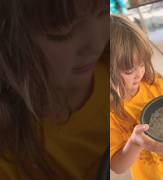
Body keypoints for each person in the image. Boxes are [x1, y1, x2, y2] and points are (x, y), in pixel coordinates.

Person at [0, 0, 108, 179]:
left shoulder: (112, 64)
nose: (95, 45)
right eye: (62, 32)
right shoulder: (10, 147)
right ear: (8, 42)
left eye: (103, 14)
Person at [109, 14, 163, 180]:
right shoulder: (110, 114)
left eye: (142, 63)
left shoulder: (153, 83)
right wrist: (135, 142)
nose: (139, 73)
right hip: (153, 173)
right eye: (129, 70)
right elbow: (117, 166)